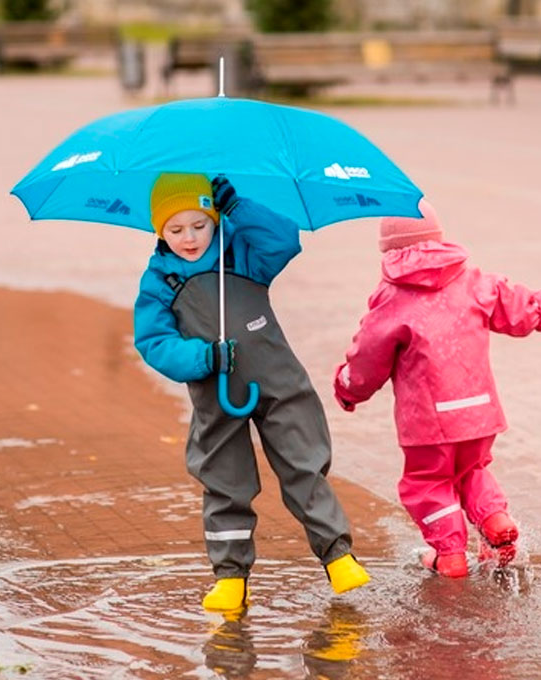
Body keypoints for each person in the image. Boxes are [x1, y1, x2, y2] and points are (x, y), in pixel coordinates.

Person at [134, 172, 370, 610]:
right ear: (159, 231)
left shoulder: (241, 252)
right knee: (224, 480)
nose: (189, 238)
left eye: (199, 225)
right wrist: (202, 358)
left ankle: (337, 555)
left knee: (303, 462)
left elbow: (284, 242)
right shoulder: (159, 281)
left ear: (213, 217)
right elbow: (152, 341)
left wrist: (240, 209)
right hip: (216, 394)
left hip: (278, 381)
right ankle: (231, 577)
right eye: (176, 229)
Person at [332, 199, 541, 577]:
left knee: (427, 483)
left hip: (427, 423)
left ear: (389, 249)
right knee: (472, 470)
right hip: (479, 412)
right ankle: (496, 521)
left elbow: (367, 358)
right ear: (438, 238)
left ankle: (450, 556)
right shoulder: (473, 281)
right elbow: (520, 305)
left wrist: (347, 388)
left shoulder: (392, 297)